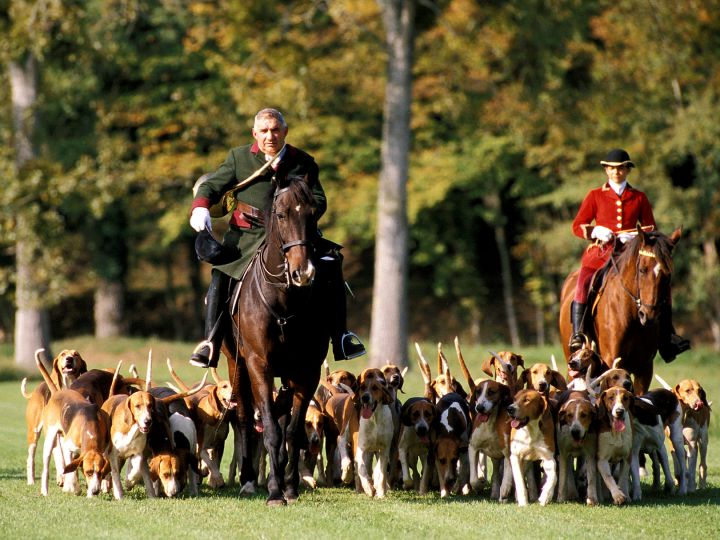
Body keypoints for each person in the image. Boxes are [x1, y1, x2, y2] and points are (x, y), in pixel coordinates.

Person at [188, 108, 365, 368]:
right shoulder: (238, 158)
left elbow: (319, 199)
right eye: (264, 131)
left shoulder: (303, 161)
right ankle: (210, 343)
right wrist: (200, 207)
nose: (269, 136)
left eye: (274, 130)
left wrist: (300, 215)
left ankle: (341, 336)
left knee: (331, 264)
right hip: (248, 235)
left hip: (293, 234)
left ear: (284, 132)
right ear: (255, 133)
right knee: (220, 274)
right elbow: (210, 185)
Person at [568, 148, 690, 361]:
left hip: (631, 253)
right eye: (612, 168)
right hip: (602, 252)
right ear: (606, 170)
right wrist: (596, 230)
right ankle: (578, 333)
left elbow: (651, 227)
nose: (616, 172)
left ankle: (668, 336)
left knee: (660, 282)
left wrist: (635, 235)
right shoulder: (594, 195)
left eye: (621, 168)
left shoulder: (639, 197)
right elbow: (577, 225)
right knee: (584, 279)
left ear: (628, 170)